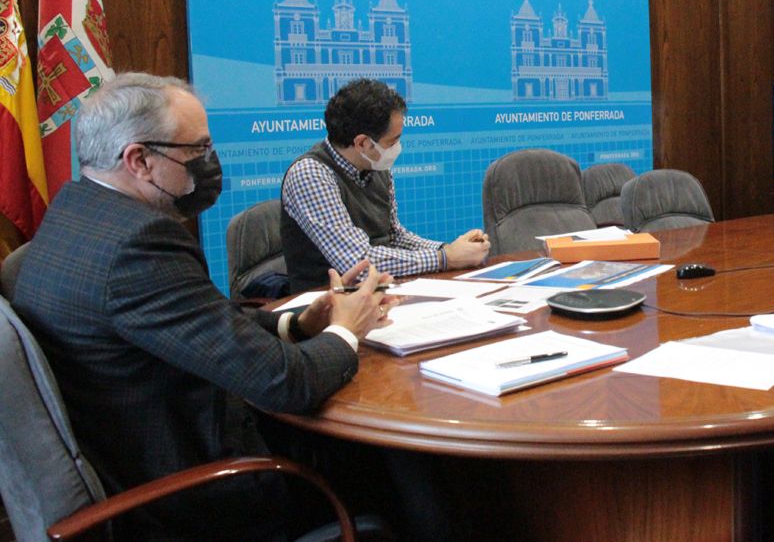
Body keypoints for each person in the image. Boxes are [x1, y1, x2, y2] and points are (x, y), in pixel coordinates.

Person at [10, 73, 399, 539]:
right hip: (197, 498)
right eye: (197, 151)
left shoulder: (76, 215)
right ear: (139, 160)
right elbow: (286, 383)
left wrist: (295, 323)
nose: (210, 164)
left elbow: (195, 320)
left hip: (146, 449)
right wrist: (347, 330)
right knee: (399, 469)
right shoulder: (138, 246)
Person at [281, 78, 490, 292]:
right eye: (392, 142)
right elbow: (358, 264)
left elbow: (394, 235)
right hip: (324, 304)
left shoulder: (375, 165)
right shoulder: (310, 174)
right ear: (362, 143)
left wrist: (450, 249)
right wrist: (445, 258)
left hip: (379, 292)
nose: (397, 148)